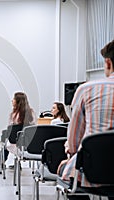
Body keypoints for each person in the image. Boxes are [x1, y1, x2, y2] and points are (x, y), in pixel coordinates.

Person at [58, 40, 114, 200]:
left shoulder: (87, 89)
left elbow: (74, 142)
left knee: (69, 175)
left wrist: (70, 156)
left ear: (108, 63)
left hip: (94, 171)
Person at [4, 92, 36, 167]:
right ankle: (18, 162)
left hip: (13, 143)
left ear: (17, 101)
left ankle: (3, 162)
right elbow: (34, 126)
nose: (12, 100)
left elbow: (10, 128)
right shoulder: (31, 113)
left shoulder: (13, 115)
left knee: (6, 143)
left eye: (14, 99)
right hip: (29, 143)